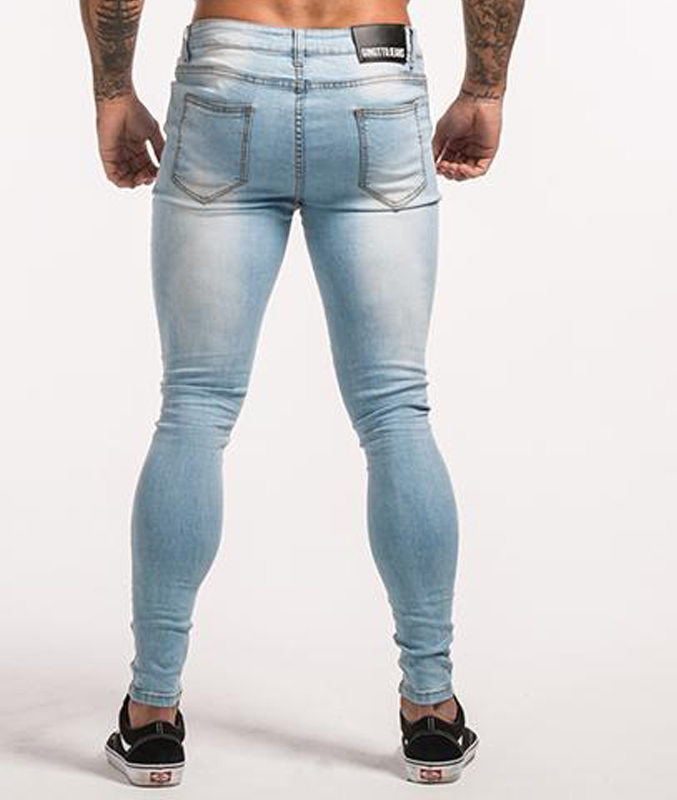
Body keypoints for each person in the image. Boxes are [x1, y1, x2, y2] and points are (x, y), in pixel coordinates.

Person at [80, 0, 525, 786]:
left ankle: (151, 717)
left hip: (227, 68)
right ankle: (430, 709)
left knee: (194, 409)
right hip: (375, 71)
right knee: (396, 412)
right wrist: (485, 88)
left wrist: (113, 91)